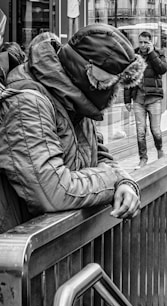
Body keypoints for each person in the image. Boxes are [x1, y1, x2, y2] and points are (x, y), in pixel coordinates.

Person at [0, 25, 144, 234]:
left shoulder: (76, 99)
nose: (113, 94)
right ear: (86, 73)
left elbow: (99, 154)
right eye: (108, 85)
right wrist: (112, 181)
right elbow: (52, 191)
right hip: (21, 246)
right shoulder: (28, 101)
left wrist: (124, 182)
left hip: (57, 243)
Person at [124, 31, 167, 168]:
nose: (142, 45)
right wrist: (127, 99)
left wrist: (152, 53)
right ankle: (143, 158)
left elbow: (162, 69)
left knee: (155, 130)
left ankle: (160, 150)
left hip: (154, 98)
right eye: (141, 42)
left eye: (145, 42)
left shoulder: (158, 53)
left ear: (151, 42)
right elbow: (128, 77)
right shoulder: (133, 56)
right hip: (138, 99)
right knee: (140, 131)